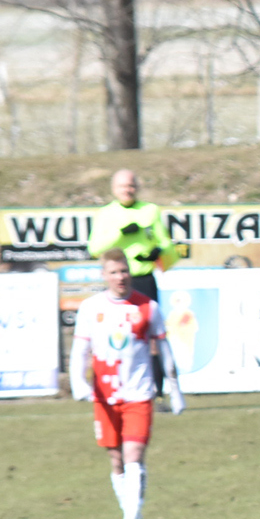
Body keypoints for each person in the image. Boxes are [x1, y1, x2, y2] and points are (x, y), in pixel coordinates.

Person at [69, 250, 185, 519]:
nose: (120, 277)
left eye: (124, 271)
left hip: (139, 392)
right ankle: (131, 515)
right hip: (105, 395)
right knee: (116, 459)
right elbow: (80, 350)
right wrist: (78, 383)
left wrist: (174, 388)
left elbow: (164, 350)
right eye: (114, 272)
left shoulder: (148, 307)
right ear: (104, 275)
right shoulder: (90, 308)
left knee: (134, 455)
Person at [87, 169, 179, 398]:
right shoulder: (106, 214)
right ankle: (115, 386)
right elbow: (94, 248)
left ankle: (156, 390)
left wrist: (159, 252)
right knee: (118, 335)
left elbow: (167, 244)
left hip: (144, 279)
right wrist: (120, 233)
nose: (127, 190)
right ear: (113, 189)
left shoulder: (150, 211)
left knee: (152, 336)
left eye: (131, 186)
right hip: (118, 284)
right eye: (122, 186)